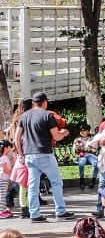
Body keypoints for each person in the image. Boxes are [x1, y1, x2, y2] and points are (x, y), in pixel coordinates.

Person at [19, 91, 70, 223]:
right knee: (56, 182)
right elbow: (56, 136)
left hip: (29, 155)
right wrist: (64, 133)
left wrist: (21, 154)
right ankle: (61, 211)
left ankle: (34, 214)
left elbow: (16, 138)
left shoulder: (24, 116)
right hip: (45, 154)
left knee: (32, 186)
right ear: (45, 102)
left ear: (33, 103)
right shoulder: (47, 115)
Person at [74, 124, 99, 194]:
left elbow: (94, 149)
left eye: (84, 130)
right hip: (82, 155)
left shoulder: (93, 139)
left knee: (95, 164)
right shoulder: (77, 139)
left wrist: (83, 148)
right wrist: (87, 148)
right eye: (81, 130)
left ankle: (93, 181)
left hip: (91, 155)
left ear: (88, 131)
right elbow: (76, 149)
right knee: (81, 163)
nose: (81, 132)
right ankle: (81, 181)